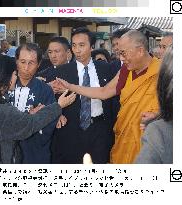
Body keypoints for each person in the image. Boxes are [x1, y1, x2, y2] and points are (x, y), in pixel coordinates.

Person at [57, 30, 161, 164]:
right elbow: (104, 92)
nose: (121, 59)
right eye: (119, 53)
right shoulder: (126, 71)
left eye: (123, 53)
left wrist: (160, 114)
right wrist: (71, 87)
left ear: (140, 51)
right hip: (126, 137)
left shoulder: (164, 71)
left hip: (150, 137)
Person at [0, 54, 76, 164]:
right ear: (6, 77)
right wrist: (58, 106)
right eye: (15, 74)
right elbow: (28, 125)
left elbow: (13, 123)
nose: (18, 76)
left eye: (31, 62)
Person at [52, 27, 115, 164]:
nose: (77, 50)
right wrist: (57, 114)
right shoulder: (62, 72)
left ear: (92, 47)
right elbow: (52, 99)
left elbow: (113, 99)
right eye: (74, 45)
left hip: (99, 129)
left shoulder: (106, 69)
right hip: (70, 129)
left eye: (82, 45)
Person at [8, 43, 66, 164]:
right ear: (16, 61)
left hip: (35, 152)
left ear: (39, 64)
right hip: (6, 152)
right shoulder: (5, 86)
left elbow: (51, 122)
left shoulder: (45, 89)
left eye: (31, 63)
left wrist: (41, 116)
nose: (26, 67)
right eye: (22, 62)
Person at [135, 46, 173, 164]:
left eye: (164, 47)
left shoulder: (159, 132)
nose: (160, 50)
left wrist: (161, 124)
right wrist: (160, 116)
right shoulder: (124, 71)